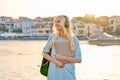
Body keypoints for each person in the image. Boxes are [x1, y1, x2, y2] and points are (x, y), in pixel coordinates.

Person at [42, 15, 82, 80]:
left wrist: (62, 58)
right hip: (53, 75)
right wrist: (56, 62)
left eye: (58, 21)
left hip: (68, 75)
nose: (56, 24)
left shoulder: (74, 39)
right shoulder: (52, 36)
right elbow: (45, 54)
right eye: (55, 22)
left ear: (66, 24)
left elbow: (78, 59)